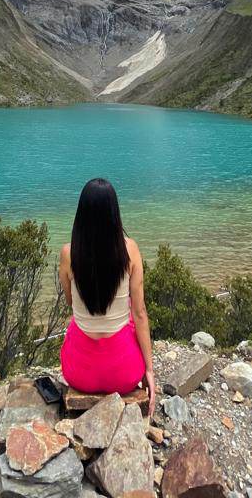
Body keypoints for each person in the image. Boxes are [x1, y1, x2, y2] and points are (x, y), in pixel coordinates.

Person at [58, 178, 155, 416]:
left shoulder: (68, 253)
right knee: (131, 315)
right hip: (124, 373)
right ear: (115, 213)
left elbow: (72, 304)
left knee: (75, 325)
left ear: (81, 214)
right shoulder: (130, 250)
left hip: (78, 373)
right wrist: (149, 372)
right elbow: (140, 314)